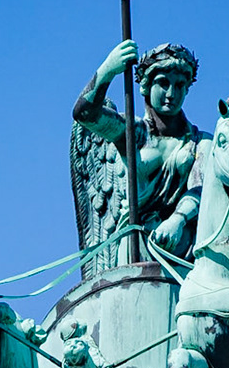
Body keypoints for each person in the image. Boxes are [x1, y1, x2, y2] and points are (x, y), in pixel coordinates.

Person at [69, 39, 209, 270]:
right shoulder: (133, 133)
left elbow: (201, 187)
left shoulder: (199, 142)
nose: (171, 93)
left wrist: (178, 219)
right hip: (136, 245)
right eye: (163, 83)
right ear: (145, 86)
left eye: (180, 85)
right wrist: (108, 70)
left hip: (182, 244)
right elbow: (84, 113)